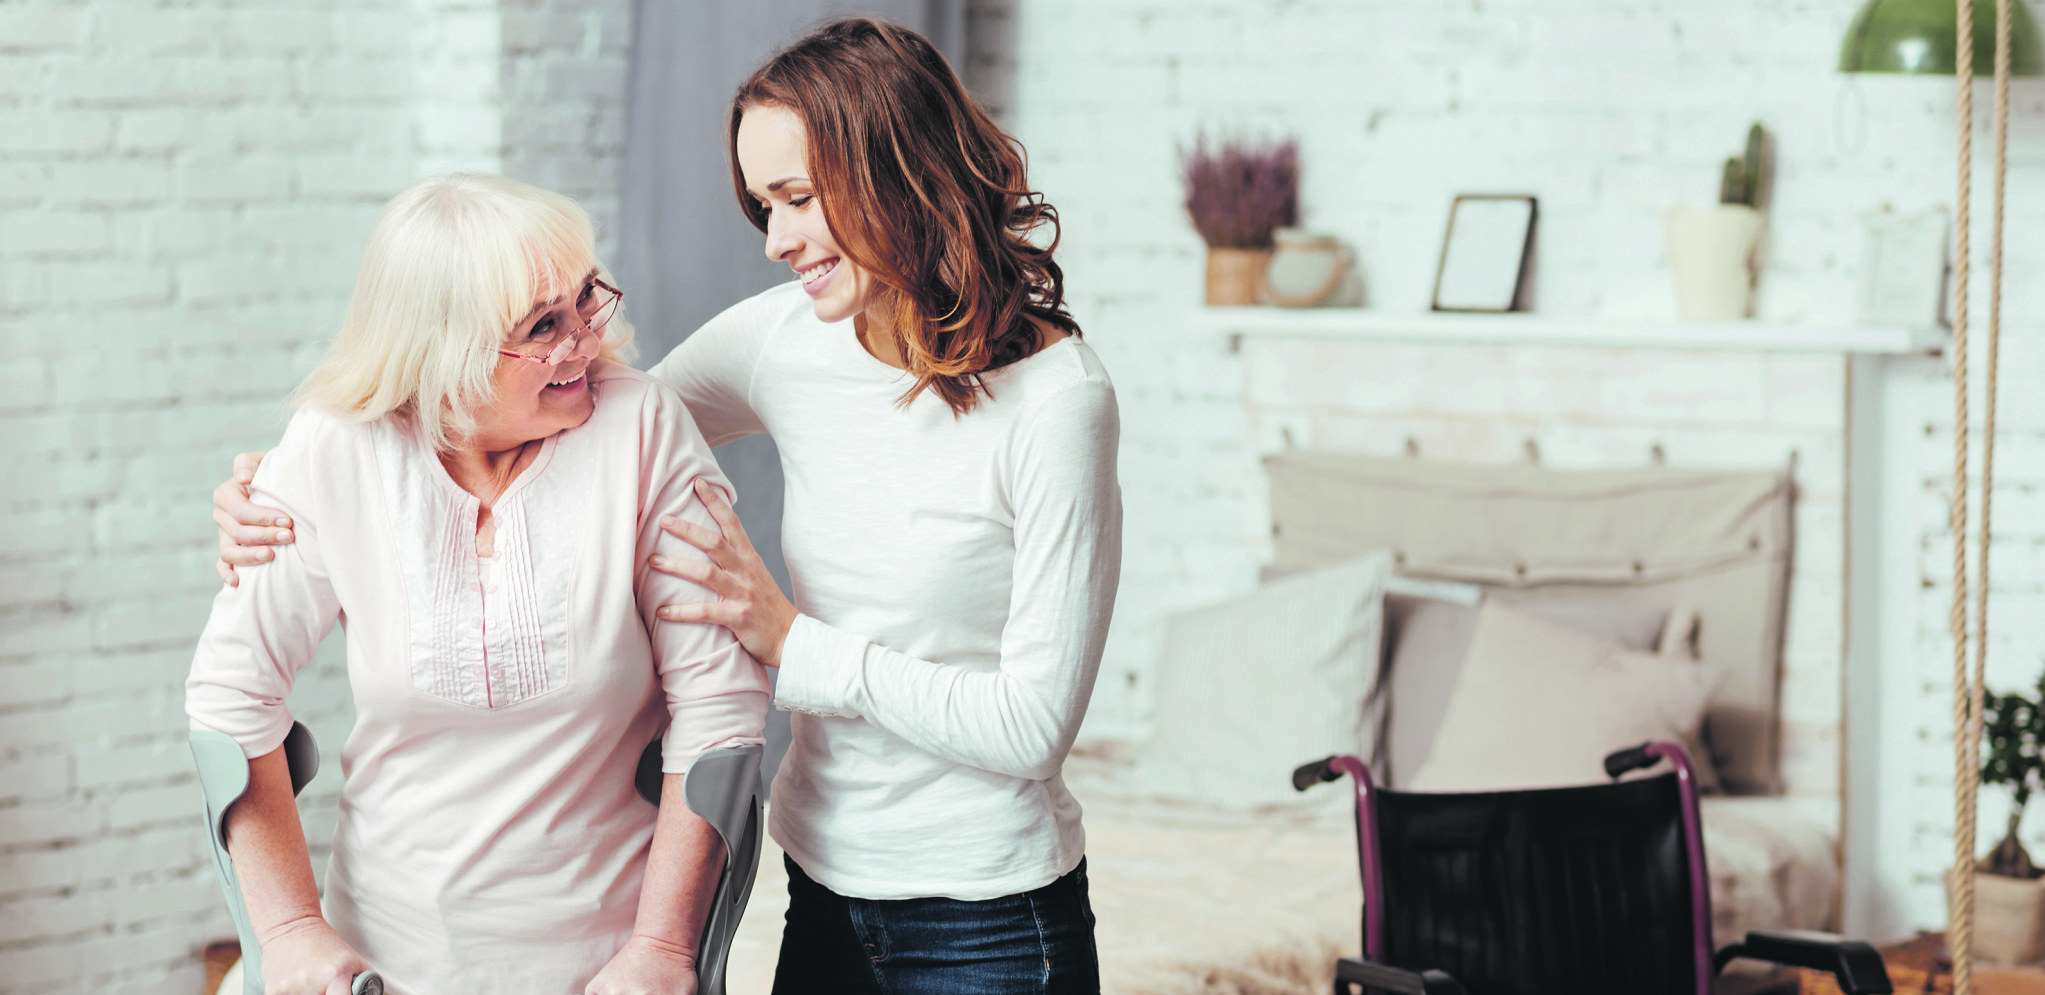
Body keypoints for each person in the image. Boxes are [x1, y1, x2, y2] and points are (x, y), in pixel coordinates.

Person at [214, 19, 1120, 994]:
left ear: (894, 172)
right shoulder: (786, 339)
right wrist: (305, 476)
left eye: (797, 198)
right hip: (824, 887)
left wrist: (789, 639)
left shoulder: (1058, 403)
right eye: (762, 206)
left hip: (989, 912)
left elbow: (1031, 728)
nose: (774, 241)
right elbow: (596, 421)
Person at [188, 174, 770, 995]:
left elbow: (719, 708)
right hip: (382, 965)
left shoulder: (641, 428)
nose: (586, 340)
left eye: (584, 300)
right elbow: (230, 696)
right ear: (444, 351)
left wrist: (664, 950)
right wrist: (287, 932)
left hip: (609, 968)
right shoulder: (333, 448)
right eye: (543, 325)